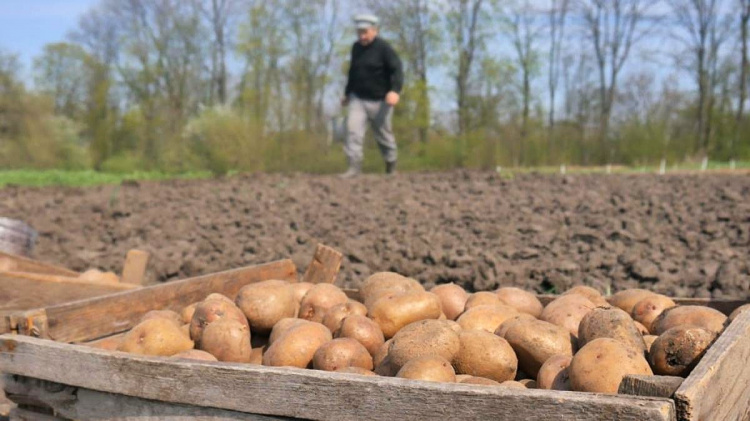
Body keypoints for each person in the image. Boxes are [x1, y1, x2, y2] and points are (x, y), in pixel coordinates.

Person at [340, 14, 404, 178]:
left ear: (375, 31)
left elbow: (397, 69)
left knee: (383, 135)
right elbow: (353, 72)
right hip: (358, 98)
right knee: (352, 131)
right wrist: (347, 94)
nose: (362, 36)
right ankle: (354, 168)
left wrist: (395, 91)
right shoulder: (356, 48)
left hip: (381, 100)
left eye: (365, 32)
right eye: (359, 32)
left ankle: (391, 164)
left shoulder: (384, 48)